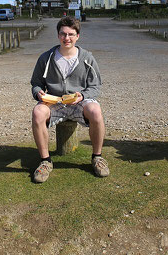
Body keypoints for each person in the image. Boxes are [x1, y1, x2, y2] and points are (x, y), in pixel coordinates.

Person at [30, 16, 109, 183]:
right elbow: (36, 83)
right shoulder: (46, 58)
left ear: (78, 36)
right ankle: (45, 161)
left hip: (79, 101)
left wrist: (83, 96)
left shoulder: (88, 58)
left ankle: (97, 157)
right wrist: (38, 93)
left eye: (71, 34)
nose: (67, 38)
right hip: (54, 102)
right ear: (58, 35)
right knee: (37, 112)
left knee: (96, 111)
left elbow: (95, 86)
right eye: (63, 34)